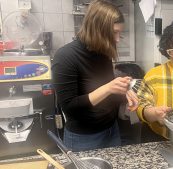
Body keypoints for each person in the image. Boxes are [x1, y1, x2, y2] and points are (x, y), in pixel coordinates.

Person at [52, 0, 138, 152]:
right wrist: (109, 88)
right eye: (114, 33)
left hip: (111, 130)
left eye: (119, 33)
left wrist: (124, 90)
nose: (117, 39)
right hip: (83, 138)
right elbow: (70, 107)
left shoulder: (102, 52)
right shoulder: (65, 56)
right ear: (96, 29)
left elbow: (104, 88)